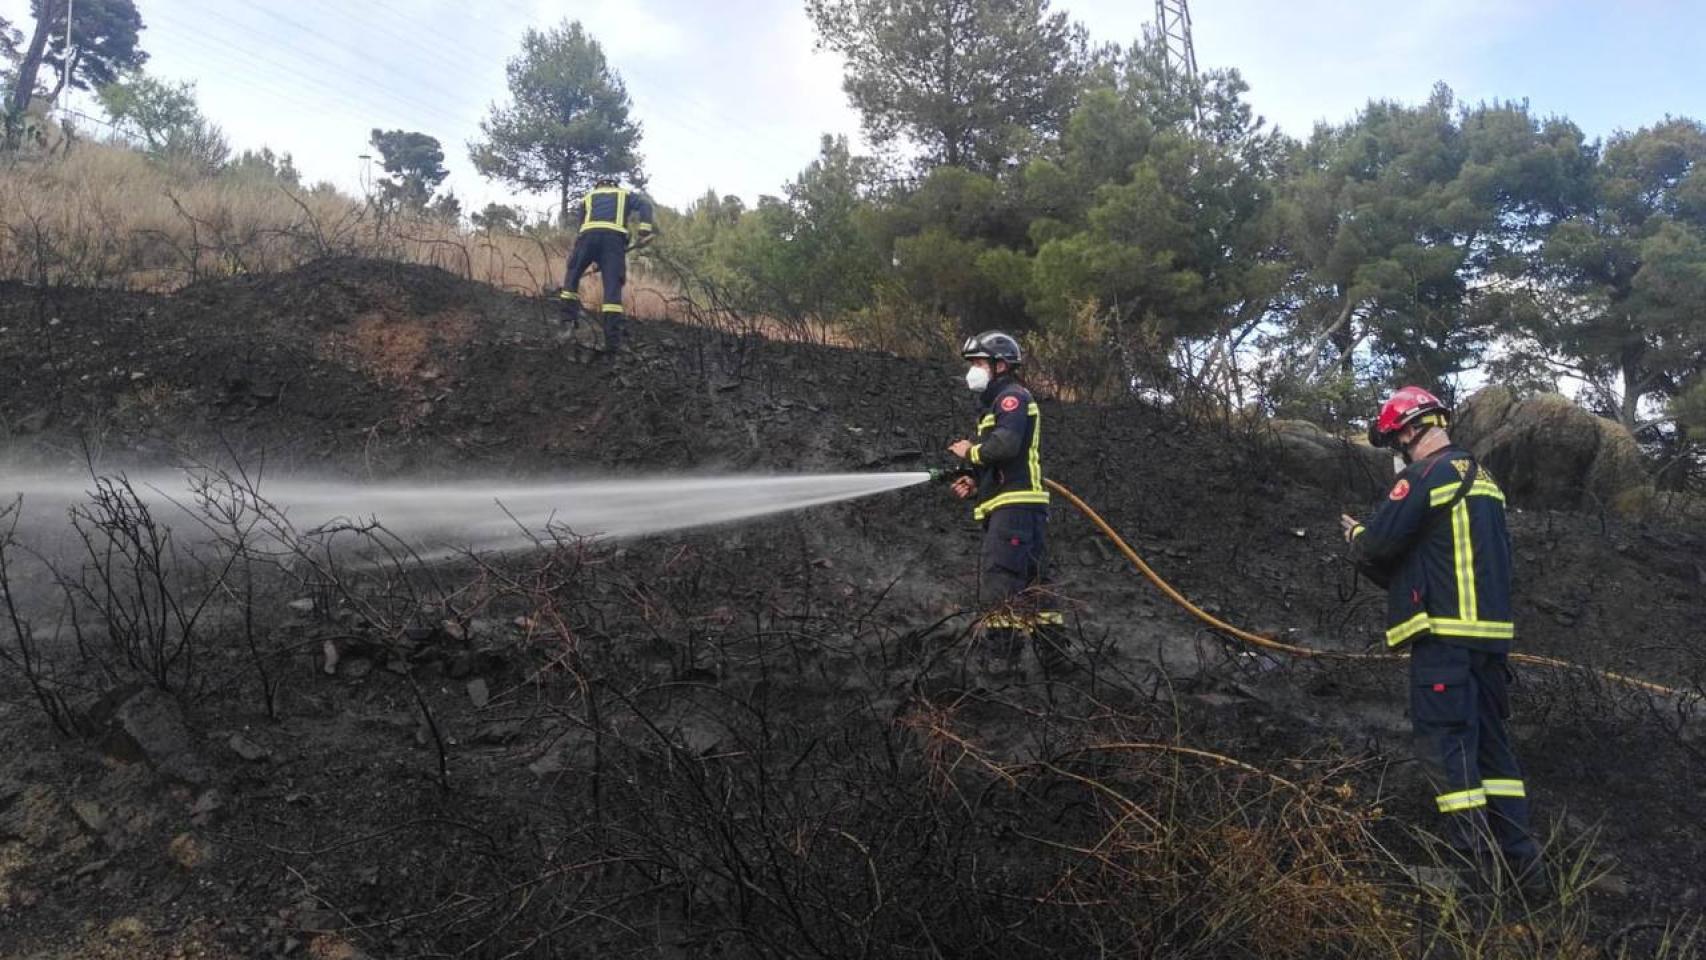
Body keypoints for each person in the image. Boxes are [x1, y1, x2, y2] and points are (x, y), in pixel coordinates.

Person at [1341, 386, 1542, 894]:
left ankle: (1472, 876)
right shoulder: (1487, 482)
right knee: (1495, 757)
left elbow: (1380, 545)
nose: (1399, 453)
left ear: (1409, 430)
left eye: (1396, 442)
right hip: (1488, 645)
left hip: (1445, 643)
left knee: (1448, 753)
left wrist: (1355, 536)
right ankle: (1525, 870)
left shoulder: (1424, 477)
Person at [946, 331, 1069, 675]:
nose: (974, 370)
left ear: (1001, 365)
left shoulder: (1012, 398)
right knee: (1035, 582)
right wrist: (973, 479)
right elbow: (998, 460)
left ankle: (1002, 662)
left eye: (979, 363)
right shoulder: (994, 404)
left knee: (1001, 579)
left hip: (1014, 506)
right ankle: (1056, 659)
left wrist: (968, 451)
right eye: (972, 364)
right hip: (1020, 508)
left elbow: (1005, 446)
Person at [559, 176, 655, 353]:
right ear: (614, 185)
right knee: (612, 289)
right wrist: (644, 231)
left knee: (572, 276)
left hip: (587, 240)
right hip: (613, 243)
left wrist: (592, 257)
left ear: (598, 185)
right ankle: (612, 342)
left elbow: (583, 228)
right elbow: (645, 205)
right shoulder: (624, 194)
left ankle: (567, 324)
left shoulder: (588, 198)